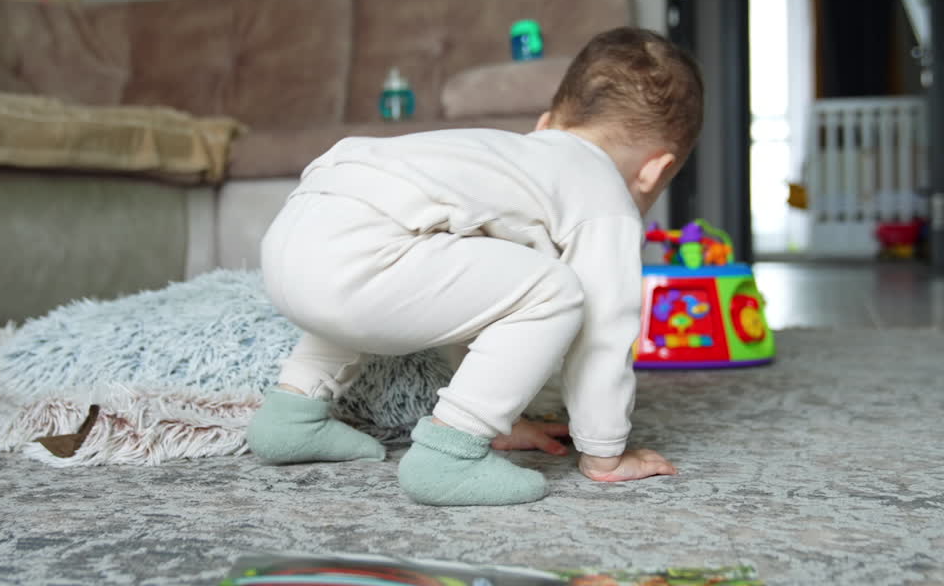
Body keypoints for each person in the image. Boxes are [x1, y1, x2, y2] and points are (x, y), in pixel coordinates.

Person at [247, 27, 704, 506]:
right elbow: (604, 336)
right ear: (654, 170)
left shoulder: (506, 160)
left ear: (547, 123)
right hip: (361, 253)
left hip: (296, 231)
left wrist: (504, 414)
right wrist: (605, 452)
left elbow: (467, 302)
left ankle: (290, 416)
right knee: (556, 291)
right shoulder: (606, 197)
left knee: (369, 276)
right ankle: (450, 454)